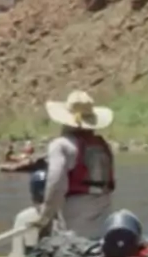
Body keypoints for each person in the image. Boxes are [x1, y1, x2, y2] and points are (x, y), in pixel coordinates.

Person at [28, 89, 122, 243]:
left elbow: (56, 186)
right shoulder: (103, 146)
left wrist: (44, 218)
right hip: (104, 228)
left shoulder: (61, 146)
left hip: (76, 232)